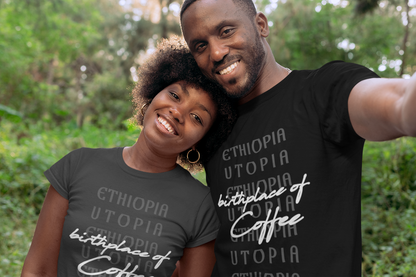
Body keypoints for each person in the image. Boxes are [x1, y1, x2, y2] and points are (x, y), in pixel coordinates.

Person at [179, 0, 416, 276]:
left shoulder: (322, 92)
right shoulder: (209, 125)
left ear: (261, 25)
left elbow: (398, 102)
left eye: (226, 31)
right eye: (200, 46)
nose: (216, 52)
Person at [21, 36, 237, 277]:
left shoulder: (200, 206)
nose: (177, 112)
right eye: (175, 96)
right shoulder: (78, 165)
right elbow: (37, 270)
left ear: (202, 140)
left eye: (197, 117)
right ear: (153, 94)